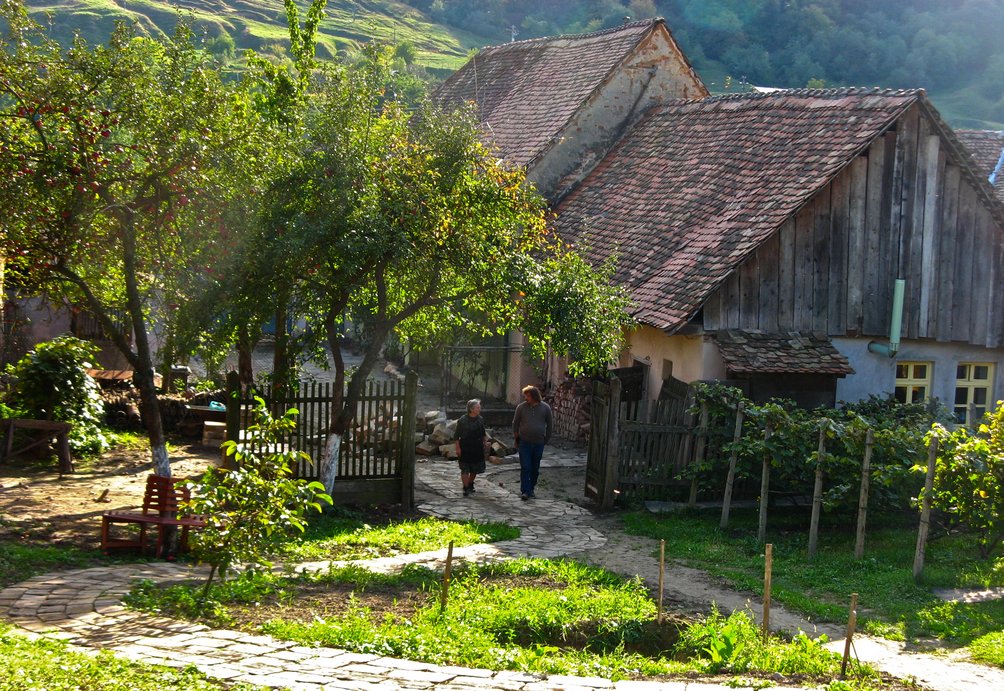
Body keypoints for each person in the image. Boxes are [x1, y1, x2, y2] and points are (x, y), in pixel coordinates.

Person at [512, 384, 552, 500]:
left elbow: (549, 424)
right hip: (524, 442)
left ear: (534, 396)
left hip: (539, 442)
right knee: (525, 466)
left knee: (535, 468)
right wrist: (516, 436)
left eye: (528, 396)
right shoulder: (521, 407)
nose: (526, 398)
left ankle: (531, 488)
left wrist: (546, 438)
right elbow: (515, 423)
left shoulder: (545, 408)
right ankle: (525, 491)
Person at [454, 398, 487, 497]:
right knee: (465, 468)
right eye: (477, 407)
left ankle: (470, 483)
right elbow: (456, 436)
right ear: (471, 409)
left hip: (477, 447)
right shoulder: (462, 420)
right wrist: (458, 448)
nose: (479, 409)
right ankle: (465, 487)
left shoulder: (480, 419)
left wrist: (485, 442)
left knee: (475, 468)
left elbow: (483, 433)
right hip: (465, 446)